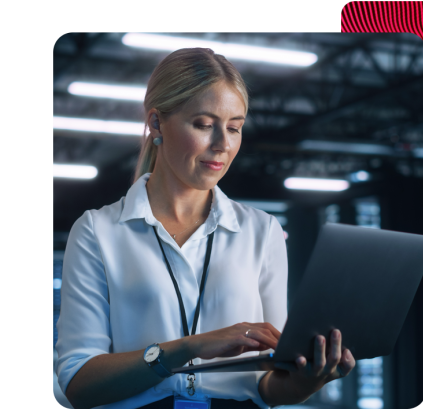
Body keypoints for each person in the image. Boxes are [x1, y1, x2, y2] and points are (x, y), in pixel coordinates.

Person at [55, 48, 355, 409]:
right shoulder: (97, 232)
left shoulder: (263, 231)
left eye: (234, 128)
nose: (223, 145)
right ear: (156, 123)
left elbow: (271, 382)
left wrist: (307, 381)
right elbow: (77, 383)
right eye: (203, 124)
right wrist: (189, 347)